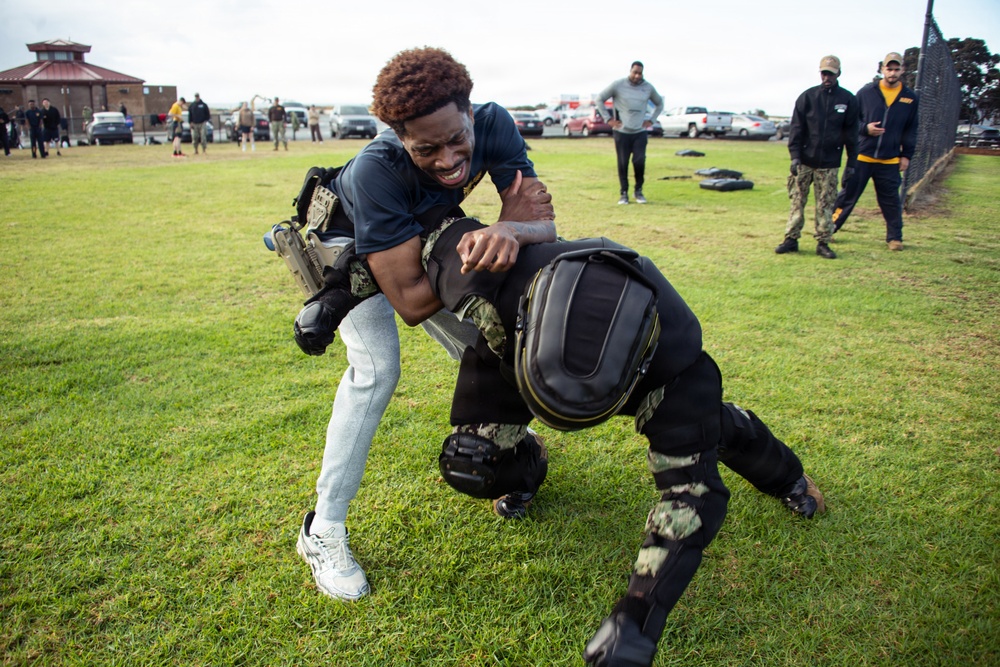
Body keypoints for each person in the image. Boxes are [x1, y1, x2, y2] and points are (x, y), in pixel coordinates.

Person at [294, 210, 827, 667]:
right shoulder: (497, 276)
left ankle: (787, 475)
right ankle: (527, 466)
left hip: (643, 373)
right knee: (471, 461)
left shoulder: (678, 364)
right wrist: (332, 301)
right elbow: (405, 246)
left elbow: (689, 503)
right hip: (511, 355)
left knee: (708, 434)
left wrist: (638, 615)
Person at [291, 47, 555, 603]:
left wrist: (508, 230)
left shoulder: (495, 124)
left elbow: (538, 220)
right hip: (348, 250)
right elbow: (411, 301)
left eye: (457, 139)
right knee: (376, 372)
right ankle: (322, 529)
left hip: (422, 233)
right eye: (426, 150)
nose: (448, 160)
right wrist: (497, 232)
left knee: (490, 339)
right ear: (398, 136)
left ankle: (512, 445)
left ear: (471, 112)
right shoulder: (377, 170)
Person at [831, 52, 919, 251]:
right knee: (847, 196)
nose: (892, 73)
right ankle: (829, 228)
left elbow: (911, 129)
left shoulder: (910, 98)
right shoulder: (866, 93)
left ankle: (894, 238)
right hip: (862, 156)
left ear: (902, 70)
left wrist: (906, 155)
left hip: (889, 160)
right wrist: (865, 129)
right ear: (882, 69)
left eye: (896, 69)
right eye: (889, 69)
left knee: (891, 202)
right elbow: (851, 120)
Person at [775, 55, 859, 259]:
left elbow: (851, 134)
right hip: (804, 161)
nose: (827, 77)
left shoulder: (848, 100)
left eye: (831, 74)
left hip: (829, 163)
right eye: (824, 73)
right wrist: (795, 157)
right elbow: (796, 129)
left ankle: (823, 241)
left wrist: (851, 163)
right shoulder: (808, 97)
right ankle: (791, 239)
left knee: (826, 204)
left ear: (838, 74)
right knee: (797, 201)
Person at [596, 62, 663, 205]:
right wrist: (609, 119)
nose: (637, 76)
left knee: (639, 161)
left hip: (640, 132)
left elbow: (659, 103)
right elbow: (599, 99)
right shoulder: (618, 85)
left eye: (640, 73)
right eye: (635, 72)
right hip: (622, 132)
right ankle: (624, 193)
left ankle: (638, 191)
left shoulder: (648, 87)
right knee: (623, 163)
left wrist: (651, 120)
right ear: (630, 71)